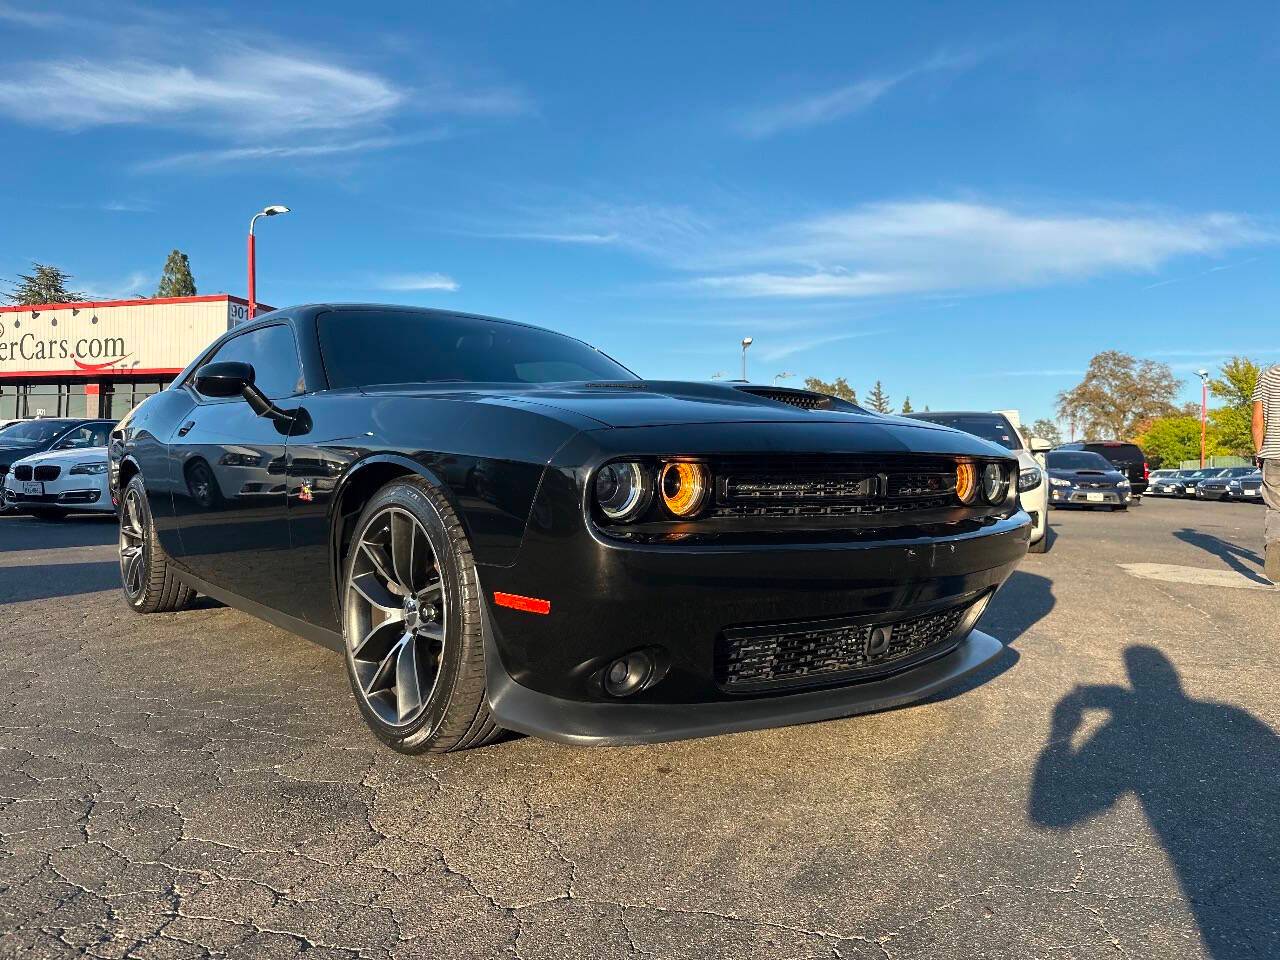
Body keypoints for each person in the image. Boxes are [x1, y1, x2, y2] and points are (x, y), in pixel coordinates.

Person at [1252, 362, 1280, 580]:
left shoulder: (1267, 375)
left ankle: (1275, 544)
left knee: (1275, 507)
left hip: (1273, 454)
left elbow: (1257, 421)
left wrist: (1259, 452)